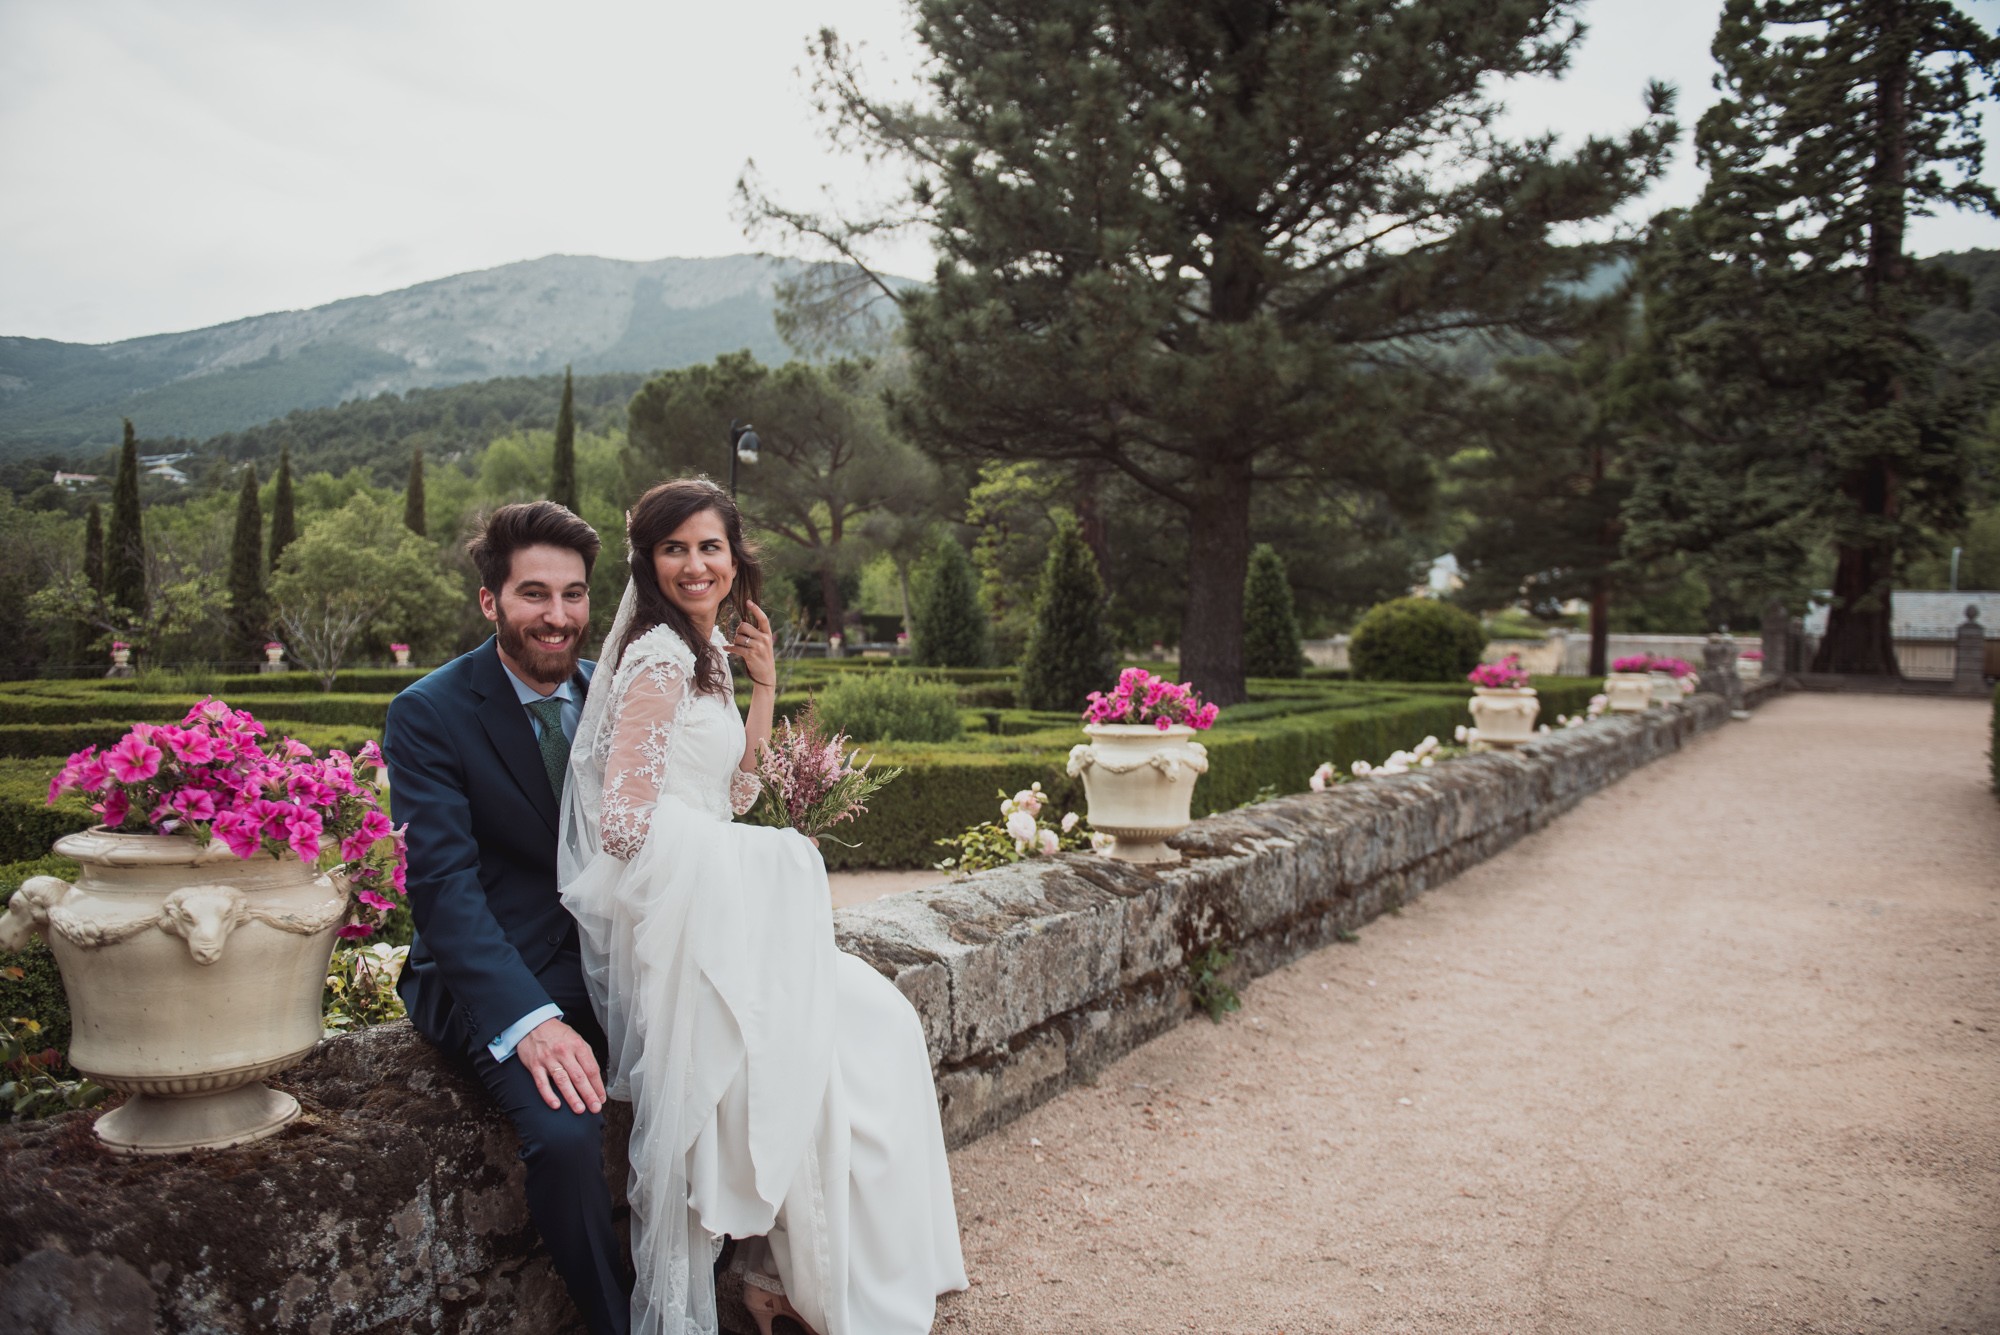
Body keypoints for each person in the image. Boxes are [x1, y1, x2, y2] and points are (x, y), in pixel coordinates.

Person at [559, 479, 966, 1335]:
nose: (695, 563)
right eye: (675, 548)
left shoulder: (703, 656)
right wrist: (772, 858)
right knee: (846, 1045)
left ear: (735, 555)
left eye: (709, 546)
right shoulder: (659, 658)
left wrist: (766, 689)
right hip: (685, 937)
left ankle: (785, 1271)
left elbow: (733, 792)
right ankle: (786, 1276)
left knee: (882, 1021)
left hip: (721, 915)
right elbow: (626, 826)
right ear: (650, 560)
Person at [384, 501, 630, 1335]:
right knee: (565, 1138)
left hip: (605, 961)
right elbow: (444, 888)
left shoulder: (613, 692)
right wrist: (531, 1022)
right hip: (491, 969)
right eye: (534, 594)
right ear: (491, 602)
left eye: (573, 594)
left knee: (728, 1071)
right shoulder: (429, 712)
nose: (557, 617)